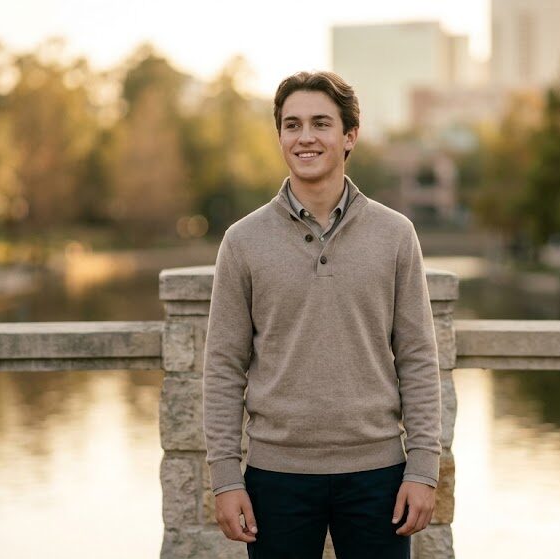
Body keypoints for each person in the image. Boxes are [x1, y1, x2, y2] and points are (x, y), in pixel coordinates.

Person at [203, 70, 442, 559]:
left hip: (379, 475)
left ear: (349, 135)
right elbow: (223, 367)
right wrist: (226, 478)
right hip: (276, 477)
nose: (305, 137)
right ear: (280, 137)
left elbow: (417, 358)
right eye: (291, 125)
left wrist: (422, 469)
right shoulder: (242, 241)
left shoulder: (395, 235)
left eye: (320, 123)